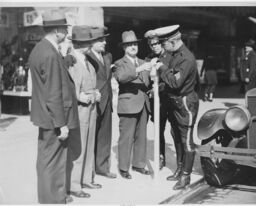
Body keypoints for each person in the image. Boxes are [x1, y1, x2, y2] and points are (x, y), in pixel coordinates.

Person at [28, 10, 82, 203]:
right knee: (53, 161)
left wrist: (65, 60)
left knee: (46, 159)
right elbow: (53, 93)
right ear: (58, 30)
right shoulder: (50, 54)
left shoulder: (41, 49)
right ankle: (53, 200)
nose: (67, 33)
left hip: (44, 115)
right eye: (66, 29)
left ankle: (50, 197)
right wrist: (61, 124)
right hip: (53, 118)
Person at [154, 25, 200, 190]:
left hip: (185, 103)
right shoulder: (176, 55)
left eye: (164, 43)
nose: (163, 47)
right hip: (176, 102)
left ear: (172, 42)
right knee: (176, 134)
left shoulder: (186, 58)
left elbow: (175, 81)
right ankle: (180, 169)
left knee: (187, 140)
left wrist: (162, 68)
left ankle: (185, 177)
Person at [67, 26, 103, 197]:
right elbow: (69, 85)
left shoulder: (87, 59)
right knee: (78, 145)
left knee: (89, 143)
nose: (91, 45)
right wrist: (80, 96)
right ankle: (74, 185)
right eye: (88, 42)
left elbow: (92, 81)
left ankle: (86, 178)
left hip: (92, 106)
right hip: (80, 108)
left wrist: (96, 92)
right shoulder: (71, 60)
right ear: (79, 43)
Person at [114, 30, 153, 179]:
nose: (133, 47)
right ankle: (123, 168)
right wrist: (139, 69)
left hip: (143, 104)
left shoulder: (144, 62)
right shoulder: (119, 63)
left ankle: (139, 164)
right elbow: (122, 78)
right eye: (129, 45)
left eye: (135, 44)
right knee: (126, 137)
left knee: (141, 136)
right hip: (128, 105)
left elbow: (147, 82)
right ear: (124, 48)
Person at [85, 27, 117, 179]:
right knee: (90, 137)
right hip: (94, 101)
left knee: (104, 137)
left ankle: (102, 168)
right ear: (92, 42)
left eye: (105, 39)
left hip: (107, 101)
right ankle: (88, 171)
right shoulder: (86, 56)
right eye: (101, 40)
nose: (105, 42)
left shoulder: (108, 56)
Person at [144, 30, 172, 169]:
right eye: (151, 44)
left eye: (156, 43)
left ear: (161, 43)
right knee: (158, 130)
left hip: (169, 99)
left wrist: (158, 87)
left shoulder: (170, 57)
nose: (154, 46)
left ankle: (181, 162)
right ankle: (161, 156)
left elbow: (172, 79)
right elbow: (147, 79)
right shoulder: (148, 58)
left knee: (176, 131)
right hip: (156, 102)